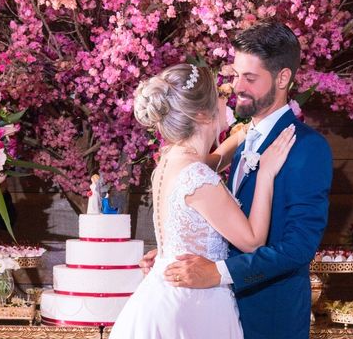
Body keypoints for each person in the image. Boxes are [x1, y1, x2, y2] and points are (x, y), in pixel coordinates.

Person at [151, 21, 333, 339]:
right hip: (218, 313)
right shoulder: (243, 137)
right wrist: (181, 253)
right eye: (236, 75)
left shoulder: (308, 148)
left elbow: (298, 248)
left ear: (283, 78)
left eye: (250, 78)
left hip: (270, 318)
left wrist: (218, 273)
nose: (237, 87)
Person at [109, 62, 296, 339]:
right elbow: (253, 240)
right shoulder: (197, 177)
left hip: (161, 297)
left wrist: (243, 135)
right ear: (202, 114)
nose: (225, 98)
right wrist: (266, 172)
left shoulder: (172, 157)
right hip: (193, 306)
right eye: (218, 96)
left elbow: (213, 161)